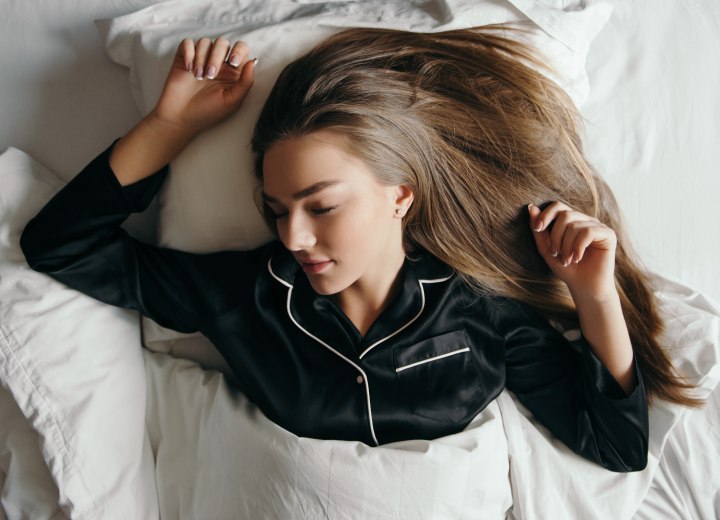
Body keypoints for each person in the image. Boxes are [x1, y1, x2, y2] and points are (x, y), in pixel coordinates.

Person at [20, 27, 698, 473]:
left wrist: (594, 298)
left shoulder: (481, 316)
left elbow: (616, 445)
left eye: (323, 206)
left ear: (400, 196)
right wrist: (169, 126)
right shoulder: (244, 295)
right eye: (277, 209)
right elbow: (60, 247)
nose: (293, 237)